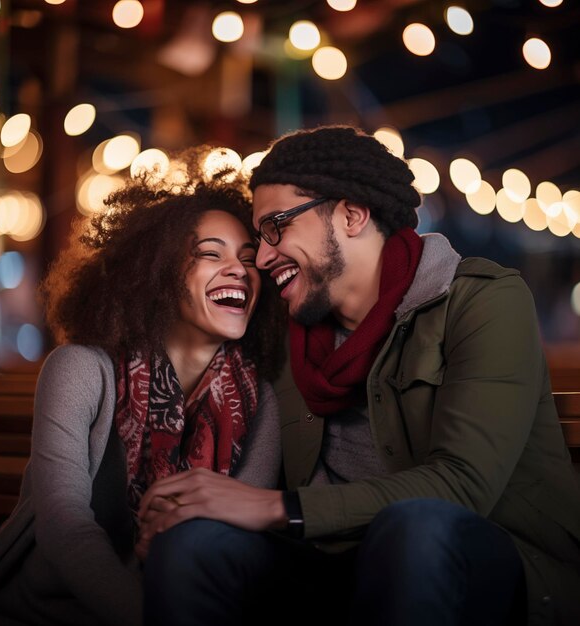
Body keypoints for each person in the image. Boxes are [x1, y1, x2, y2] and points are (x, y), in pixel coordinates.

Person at [138, 125, 580, 626]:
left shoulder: (483, 301)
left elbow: (463, 485)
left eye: (277, 225)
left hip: (478, 560)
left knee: (414, 531)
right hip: (332, 561)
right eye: (260, 235)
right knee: (191, 546)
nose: (262, 257)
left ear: (351, 214)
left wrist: (278, 507)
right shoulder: (286, 330)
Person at [0, 147, 286, 626]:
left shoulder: (260, 401)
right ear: (156, 273)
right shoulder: (80, 370)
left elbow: (235, 541)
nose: (239, 269)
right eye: (210, 254)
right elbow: (64, 526)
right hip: (40, 613)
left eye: (249, 259)